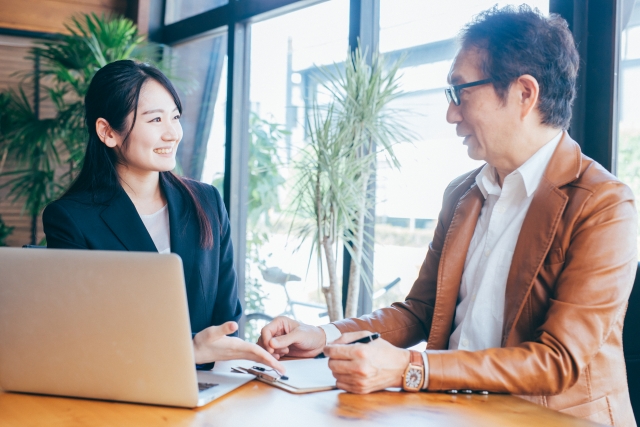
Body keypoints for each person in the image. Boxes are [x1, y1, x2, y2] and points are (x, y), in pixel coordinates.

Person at [258, 6, 637, 426]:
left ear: (524, 94)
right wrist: (325, 335)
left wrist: (410, 369)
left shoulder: (603, 203)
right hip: (457, 413)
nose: (451, 114)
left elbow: (557, 361)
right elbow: (419, 311)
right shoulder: (462, 193)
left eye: (462, 92)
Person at [43, 60, 284, 373]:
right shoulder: (71, 219)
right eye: (155, 119)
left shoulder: (207, 202)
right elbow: (81, 335)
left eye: (175, 117)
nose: (173, 133)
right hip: (124, 390)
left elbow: (228, 319)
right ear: (108, 132)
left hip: (209, 392)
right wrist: (189, 348)